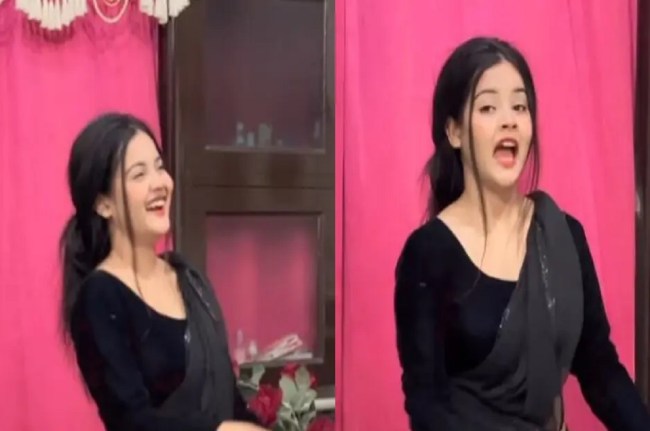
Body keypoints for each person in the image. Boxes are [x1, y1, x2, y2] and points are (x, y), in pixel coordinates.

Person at [393, 37, 650, 431]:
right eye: (488, 107)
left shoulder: (563, 236)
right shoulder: (427, 253)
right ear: (454, 131)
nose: (509, 120)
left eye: (520, 106)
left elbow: (600, 370)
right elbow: (427, 406)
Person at [59, 113, 268, 431]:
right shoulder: (100, 297)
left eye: (159, 167)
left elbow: (229, 401)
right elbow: (132, 422)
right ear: (103, 204)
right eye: (139, 174)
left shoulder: (189, 280)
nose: (160, 183)